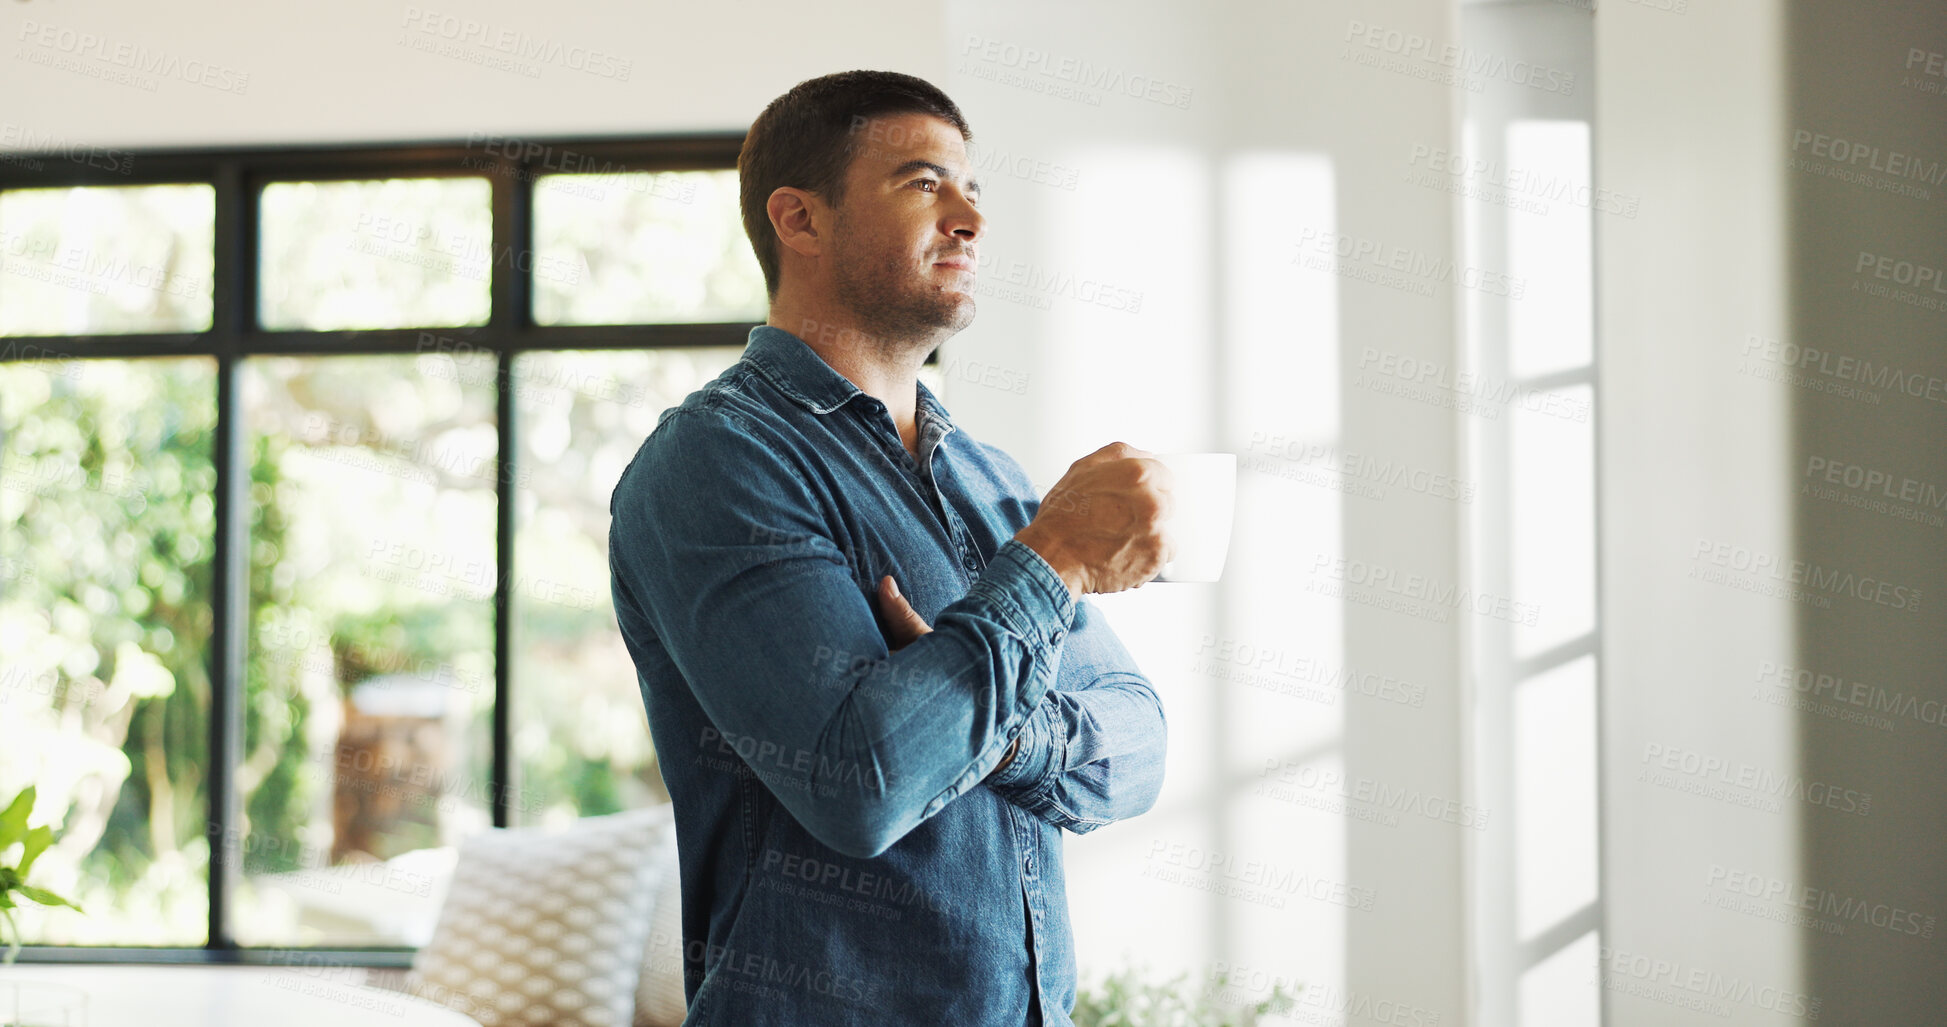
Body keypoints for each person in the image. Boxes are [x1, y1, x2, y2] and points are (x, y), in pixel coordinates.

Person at [607, 69, 1175, 1027]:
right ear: (800, 220)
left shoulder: (992, 480)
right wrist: (1049, 568)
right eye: (922, 183)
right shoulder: (714, 462)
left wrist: (984, 726)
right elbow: (862, 783)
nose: (970, 220)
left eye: (973, 190)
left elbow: (1139, 749)